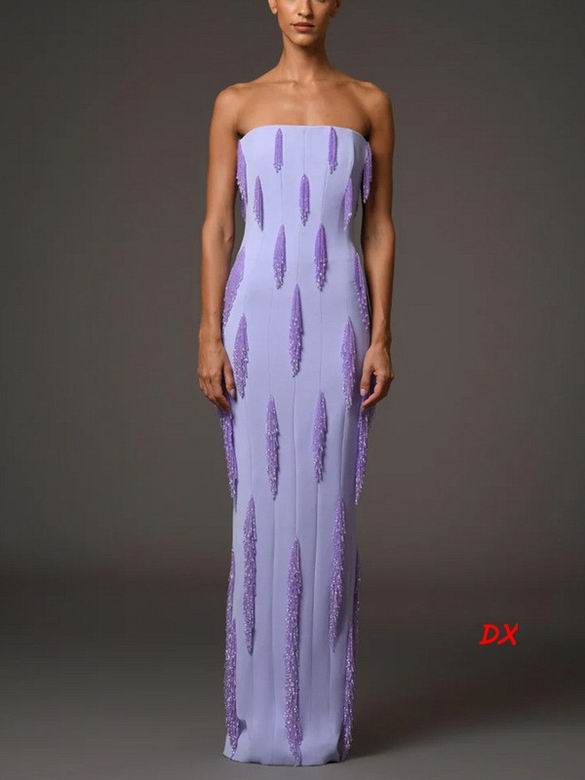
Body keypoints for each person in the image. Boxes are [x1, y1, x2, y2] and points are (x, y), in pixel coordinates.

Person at [197, 0, 396, 766]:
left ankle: (318, 723)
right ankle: (253, 722)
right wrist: (209, 332)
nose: (305, 5)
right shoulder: (235, 103)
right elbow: (219, 226)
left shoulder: (369, 102)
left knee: (327, 508)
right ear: (271, 2)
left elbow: (377, 227)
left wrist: (380, 336)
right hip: (255, 318)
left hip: (338, 320)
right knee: (257, 503)